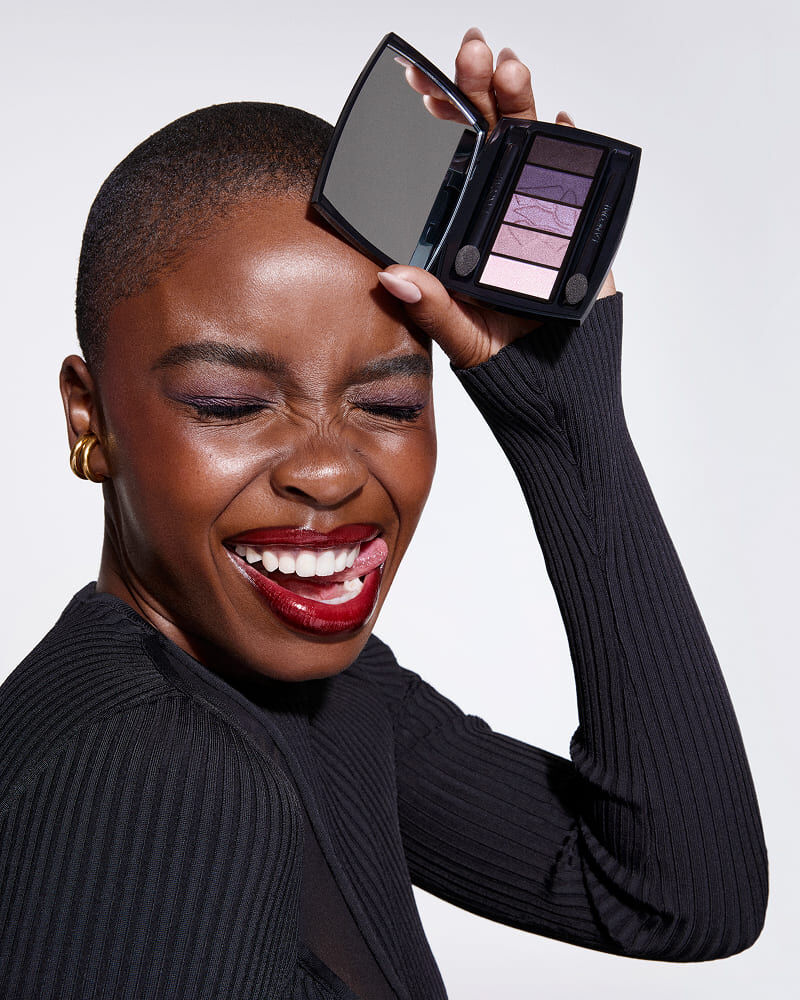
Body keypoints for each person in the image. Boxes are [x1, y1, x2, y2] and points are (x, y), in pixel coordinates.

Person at [0, 27, 767, 1000]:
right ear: (89, 416)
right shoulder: (153, 772)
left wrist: (564, 424)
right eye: (231, 405)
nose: (328, 471)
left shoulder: (332, 699)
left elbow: (677, 898)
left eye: (390, 405)